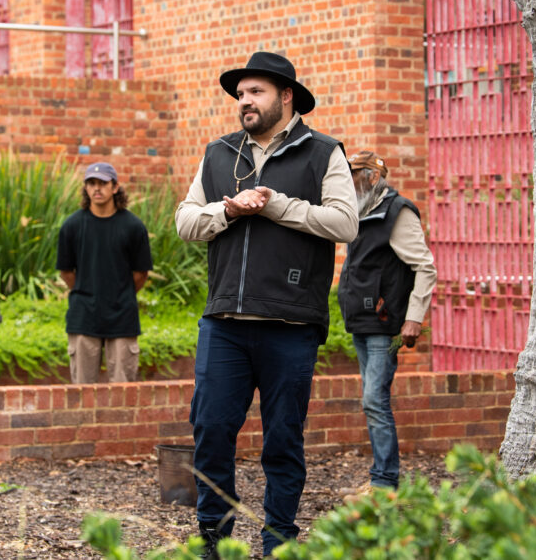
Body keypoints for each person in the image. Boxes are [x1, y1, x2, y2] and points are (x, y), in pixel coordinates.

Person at [175, 51, 358, 557]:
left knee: (282, 440)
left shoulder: (323, 152)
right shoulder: (219, 153)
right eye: (240, 94)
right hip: (225, 321)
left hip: (291, 322)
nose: (244, 102)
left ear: (286, 96)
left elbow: (346, 223)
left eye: (255, 92)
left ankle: (278, 539)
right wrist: (229, 209)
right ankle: (214, 537)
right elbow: (185, 222)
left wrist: (278, 206)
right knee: (210, 430)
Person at [337, 150, 437, 491]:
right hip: (362, 321)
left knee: (374, 400)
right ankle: (381, 477)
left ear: (373, 177)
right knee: (371, 400)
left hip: (384, 322)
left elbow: (425, 267)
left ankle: (385, 482)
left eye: (353, 176)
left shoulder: (398, 211)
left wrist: (414, 319)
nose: (348, 182)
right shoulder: (361, 211)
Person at [56, 162, 153, 383]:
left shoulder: (133, 227)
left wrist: (120, 293)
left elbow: (141, 274)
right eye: (91, 183)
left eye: (102, 183)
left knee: (122, 393)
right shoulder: (71, 226)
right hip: (83, 317)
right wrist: (86, 290)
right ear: (85, 188)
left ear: (115, 187)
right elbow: (66, 271)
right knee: (82, 392)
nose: (97, 188)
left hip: (122, 317)